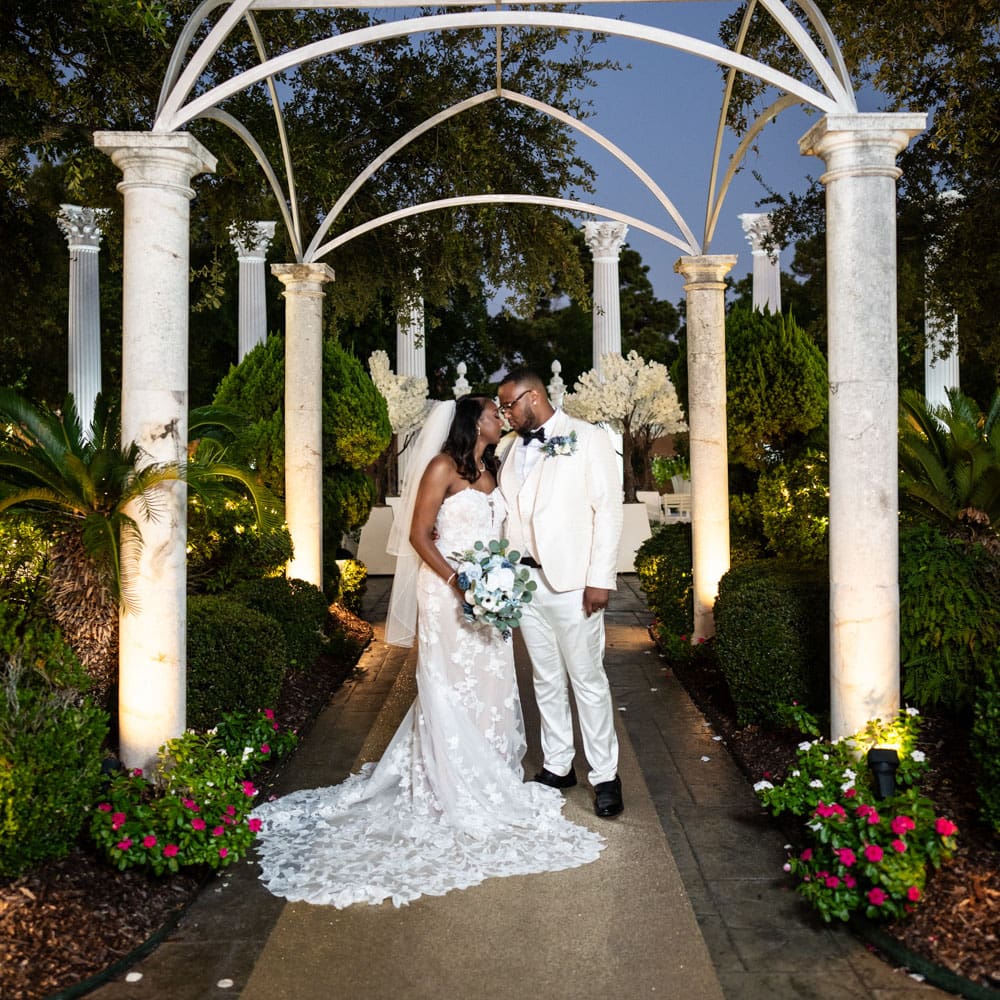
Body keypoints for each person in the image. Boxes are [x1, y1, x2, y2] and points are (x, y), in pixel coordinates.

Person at [251, 396, 603, 908]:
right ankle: (448, 782)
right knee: (447, 683)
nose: (498, 418)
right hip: (447, 592)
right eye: (490, 412)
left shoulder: (493, 465)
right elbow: (419, 536)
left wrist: (497, 581)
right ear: (470, 421)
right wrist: (459, 580)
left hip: (492, 590)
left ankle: (489, 772)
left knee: (492, 680)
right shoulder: (442, 466)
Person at [496, 369, 625, 818]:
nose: (504, 413)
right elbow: (508, 513)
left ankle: (605, 776)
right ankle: (557, 766)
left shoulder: (587, 438)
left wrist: (600, 578)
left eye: (509, 404)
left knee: (588, 681)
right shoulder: (511, 449)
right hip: (525, 584)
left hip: (574, 585)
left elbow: (607, 512)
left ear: (533, 397)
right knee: (545, 680)